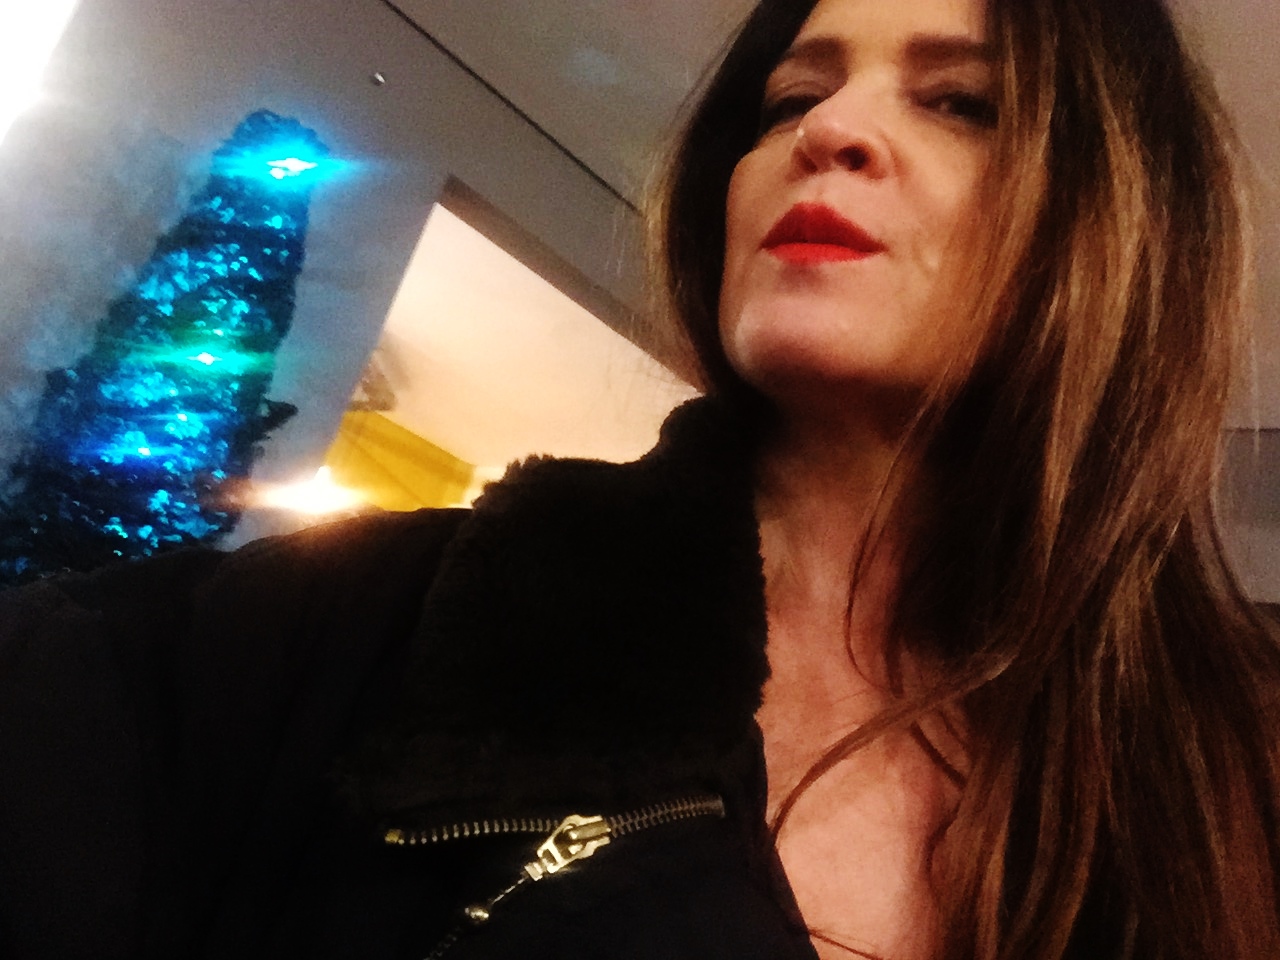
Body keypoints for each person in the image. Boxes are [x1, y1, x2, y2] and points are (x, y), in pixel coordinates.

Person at [0, 1, 1276, 959]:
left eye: (960, 103)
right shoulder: (359, 629)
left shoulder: (1235, 772)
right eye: (788, 99)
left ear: (1126, 224)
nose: (828, 130)